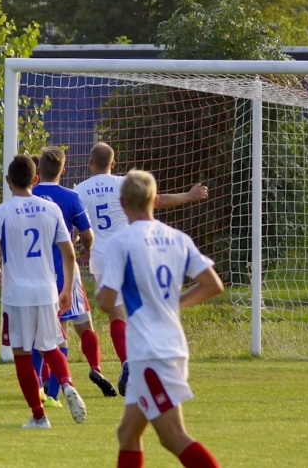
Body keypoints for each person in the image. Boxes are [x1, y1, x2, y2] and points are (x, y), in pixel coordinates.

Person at [97, 170, 222, 468]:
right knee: (127, 433)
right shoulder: (176, 238)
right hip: (165, 345)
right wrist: (174, 303)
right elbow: (213, 284)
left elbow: (105, 300)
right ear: (154, 199)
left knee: (173, 437)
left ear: (122, 202)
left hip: (152, 352)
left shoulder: (122, 242)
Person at [74, 142, 207, 395]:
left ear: (90, 163)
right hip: (132, 251)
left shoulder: (79, 190)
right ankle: (139, 363)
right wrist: (189, 196)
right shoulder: (124, 184)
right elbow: (157, 201)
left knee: (115, 314)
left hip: (102, 258)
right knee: (136, 312)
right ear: (113, 163)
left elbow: (78, 229)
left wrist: (82, 246)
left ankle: (128, 363)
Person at [0, 154, 86, 429]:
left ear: (7, 181)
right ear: (35, 180)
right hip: (48, 291)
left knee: (22, 354)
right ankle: (68, 385)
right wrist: (67, 289)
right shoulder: (51, 210)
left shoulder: (1, 212)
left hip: (17, 296)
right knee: (50, 347)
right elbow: (69, 255)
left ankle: (39, 416)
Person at [30, 147, 118, 403]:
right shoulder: (69, 197)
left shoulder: (29, 195)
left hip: (35, 272)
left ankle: (42, 383)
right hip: (65, 270)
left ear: (37, 172)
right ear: (63, 170)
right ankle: (91, 369)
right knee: (81, 325)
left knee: (46, 334)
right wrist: (85, 250)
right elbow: (88, 235)